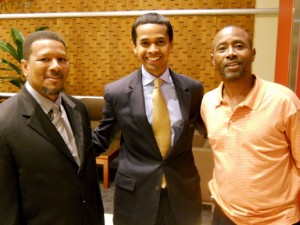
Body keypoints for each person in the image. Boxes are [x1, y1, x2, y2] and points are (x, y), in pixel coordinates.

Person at [93, 13, 205, 225]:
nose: (153, 50)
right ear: (134, 47)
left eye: (160, 42)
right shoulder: (117, 92)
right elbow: (101, 139)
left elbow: (212, 132)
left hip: (182, 194)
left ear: (171, 43)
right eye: (145, 43)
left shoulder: (193, 89)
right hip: (136, 196)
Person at [0, 30, 105, 225]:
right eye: (45, 59)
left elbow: (86, 177)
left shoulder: (78, 108)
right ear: (24, 67)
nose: (56, 66)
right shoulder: (4, 122)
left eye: (62, 59)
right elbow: (5, 206)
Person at [201, 25, 300, 225]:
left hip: (277, 219)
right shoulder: (208, 102)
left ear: (252, 54)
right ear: (213, 59)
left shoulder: (283, 101)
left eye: (239, 46)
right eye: (222, 49)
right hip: (225, 214)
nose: (231, 54)